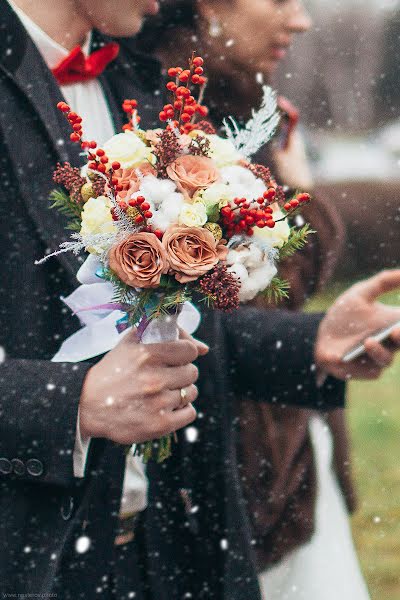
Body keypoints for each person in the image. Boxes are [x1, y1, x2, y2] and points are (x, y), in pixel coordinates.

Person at [1, 2, 400, 600]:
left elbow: (165, 324)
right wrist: (71, 406)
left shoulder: (137, 81)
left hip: (172, 550)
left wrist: (309, 343)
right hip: (34, 562)